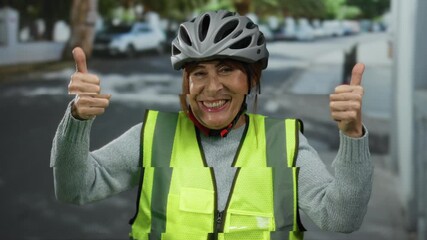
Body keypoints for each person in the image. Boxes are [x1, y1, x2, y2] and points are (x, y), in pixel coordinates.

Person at [51, 10, 373, 240]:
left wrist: (352, 137)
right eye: (199, 73)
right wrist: (77, 119)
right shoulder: (151, 136)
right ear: (186, 82)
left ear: (251, 79)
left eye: (226, 69)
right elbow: (75, 188)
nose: (212, 87)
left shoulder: (284, 142)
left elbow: (341, 218)